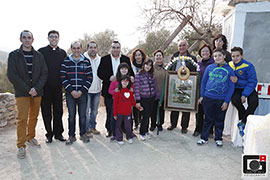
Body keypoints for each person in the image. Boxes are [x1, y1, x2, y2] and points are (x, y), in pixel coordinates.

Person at [7, 30, 48, 159]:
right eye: (24, 38)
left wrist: (36, 88)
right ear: (20, 39)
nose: (27, 40)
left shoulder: (39, 56)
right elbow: (12, 75)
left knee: (34, 117)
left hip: (37, 92)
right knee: (22, 118)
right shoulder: (14, 55)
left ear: (32, 40)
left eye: (29, 37)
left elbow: (44, 73)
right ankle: (21, 145)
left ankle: (31, 137)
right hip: (22, 93)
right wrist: (27, 89)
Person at [197, 49, 235, 147]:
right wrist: (202, 95)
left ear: (224, 56)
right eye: (215, 56)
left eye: (219, 55)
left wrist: (226, 101)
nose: (217, 58)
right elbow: (203, 82)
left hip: (221, 99)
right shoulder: (210, 68)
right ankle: (204, 137)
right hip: (208, 97)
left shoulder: (230, 70)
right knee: (207, 119)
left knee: (219, 119)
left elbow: (231, 87)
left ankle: (218, 138)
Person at [97, 41, 134, 138]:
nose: (115, 49)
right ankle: (110, 130)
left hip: (124, 92)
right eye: (113, 47)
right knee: (110, 111)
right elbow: (99, 73)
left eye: (117, 47)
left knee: (123, 111)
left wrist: (132, 78)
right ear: (110, 48)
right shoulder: (104, 59)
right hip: (110, 91)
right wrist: (109, 77)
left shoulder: (125, 58)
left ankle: (123, 129)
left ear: (120, 48)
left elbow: (131, 73)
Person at [61, 41, 93, 145]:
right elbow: (63, 77)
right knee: (71, 116)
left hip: (82, 94)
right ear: (71, 49)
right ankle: (71, 136)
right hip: (70, 94)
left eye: (78, 48)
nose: (76, 50)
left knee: (83, 115)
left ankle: (82, 134)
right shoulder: (65, 61)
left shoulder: (86, 61)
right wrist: (71, 90)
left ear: (81, 49)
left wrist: (81, 91)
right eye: (74, 48)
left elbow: (89, 77)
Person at [38, 30, 67, 143]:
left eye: (56, 37)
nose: (54, 39)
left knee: (58, 111)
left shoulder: (62, 53)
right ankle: (49, 134)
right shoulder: (41, 52)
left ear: (59, 38)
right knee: (46, 112)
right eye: (51, 37)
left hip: (58, 87)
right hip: (45, 88)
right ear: (48, 38)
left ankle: (58, 134)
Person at [167, 39, 197, 133]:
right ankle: (173, 124)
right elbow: (170, 68)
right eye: (180, 45)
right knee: (174, 103)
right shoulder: (174, 56)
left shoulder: (192, 58)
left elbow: (195, 71)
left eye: (183, 45)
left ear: (187, 46)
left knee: (185, 105)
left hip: (187, 84)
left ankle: (184, 126)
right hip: (175, 83)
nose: (181, 47)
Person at [229, 47, 258, 137]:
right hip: (237, 88)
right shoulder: (229, 65)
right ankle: (243, 121)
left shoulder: (248, 66)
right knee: (235, 100)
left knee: (254, 102)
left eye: (237, 56)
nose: (235, 58)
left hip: (248, 87)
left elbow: (252, 82)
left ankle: (243, 121)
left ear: (242, 56)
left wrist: (244, 94)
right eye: (233, 56)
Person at [134, 59, 160, 141]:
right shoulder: (138, 75)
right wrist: (137, 100)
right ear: (143, 65)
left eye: (150, 65)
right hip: (143, 98)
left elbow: (155, 86)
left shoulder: (152, 75)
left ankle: (146, 131)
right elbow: (136, 88)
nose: (148, 67)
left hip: (151, 97)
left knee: (148, 115)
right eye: (146, 65)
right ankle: (142, 132)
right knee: (145, 115)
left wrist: (157, 96)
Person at [113, 75, 142, 145]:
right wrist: (114, 114)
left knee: (128, 126)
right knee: (118, 126)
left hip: (128, 113)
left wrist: (138, 106)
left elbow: (132, 101)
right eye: (123, 81)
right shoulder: (117, 92)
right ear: (120, 82)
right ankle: (119, 138)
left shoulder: (130, 91)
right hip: (119, 113)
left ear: (129, 83)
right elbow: (115, 104)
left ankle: (129, 137)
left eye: (127, 81)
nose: (125, 82)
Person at [192, 44, 214, 137]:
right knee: (199, 111)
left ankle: (209, 131)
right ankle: (198, 129)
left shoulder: (214, 63)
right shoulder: (198, 64)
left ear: (210, 52)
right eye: (203, 51)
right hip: (199, 90)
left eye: (207, 51)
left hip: (210, 90)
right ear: (200, 53)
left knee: (209, 112)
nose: (205, 52)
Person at [109, 62, 134, 141]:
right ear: (119, 70)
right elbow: (110, 90)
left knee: (128, 119)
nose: (124, 70)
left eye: (125, 69)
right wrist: (115, 91)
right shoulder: (115, 80)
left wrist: (132, 90)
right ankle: (114, 134)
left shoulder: (130, 80)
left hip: (127, 104)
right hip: (117, 103)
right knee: (115, 119)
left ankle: (129, 133)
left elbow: (132, 89)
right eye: (122, 69)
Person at [83, 41, 102, 138]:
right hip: (86, 90)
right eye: (91, 47)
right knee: (85, 111)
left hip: (97, 90)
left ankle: (92, 127)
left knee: (94, 111)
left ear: (97, 49)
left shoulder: (100, 59)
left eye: (94, 47)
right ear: (87, 49)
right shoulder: (83, 59)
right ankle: (86, 130)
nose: (93, 49)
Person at [130, 48, 147, 130]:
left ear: (142, 56)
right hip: (134, 89)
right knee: (135, 106)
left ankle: (141, 122)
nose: (138, 57)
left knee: (142, 106)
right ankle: (135, 123)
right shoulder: (131, 65)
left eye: (139, 55)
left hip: (144, 89)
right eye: (136, 55)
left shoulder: (146, 65)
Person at [150, 50, 166, 132]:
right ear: (154, 57)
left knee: (161, 110)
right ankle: (153, 124)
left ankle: (160, 124)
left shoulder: (166, 68)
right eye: (157, 55)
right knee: (153, 110)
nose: (158, 57)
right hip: (153, 93)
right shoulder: (151, 68)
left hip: (163, 93)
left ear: (163, 57)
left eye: (160, 55)